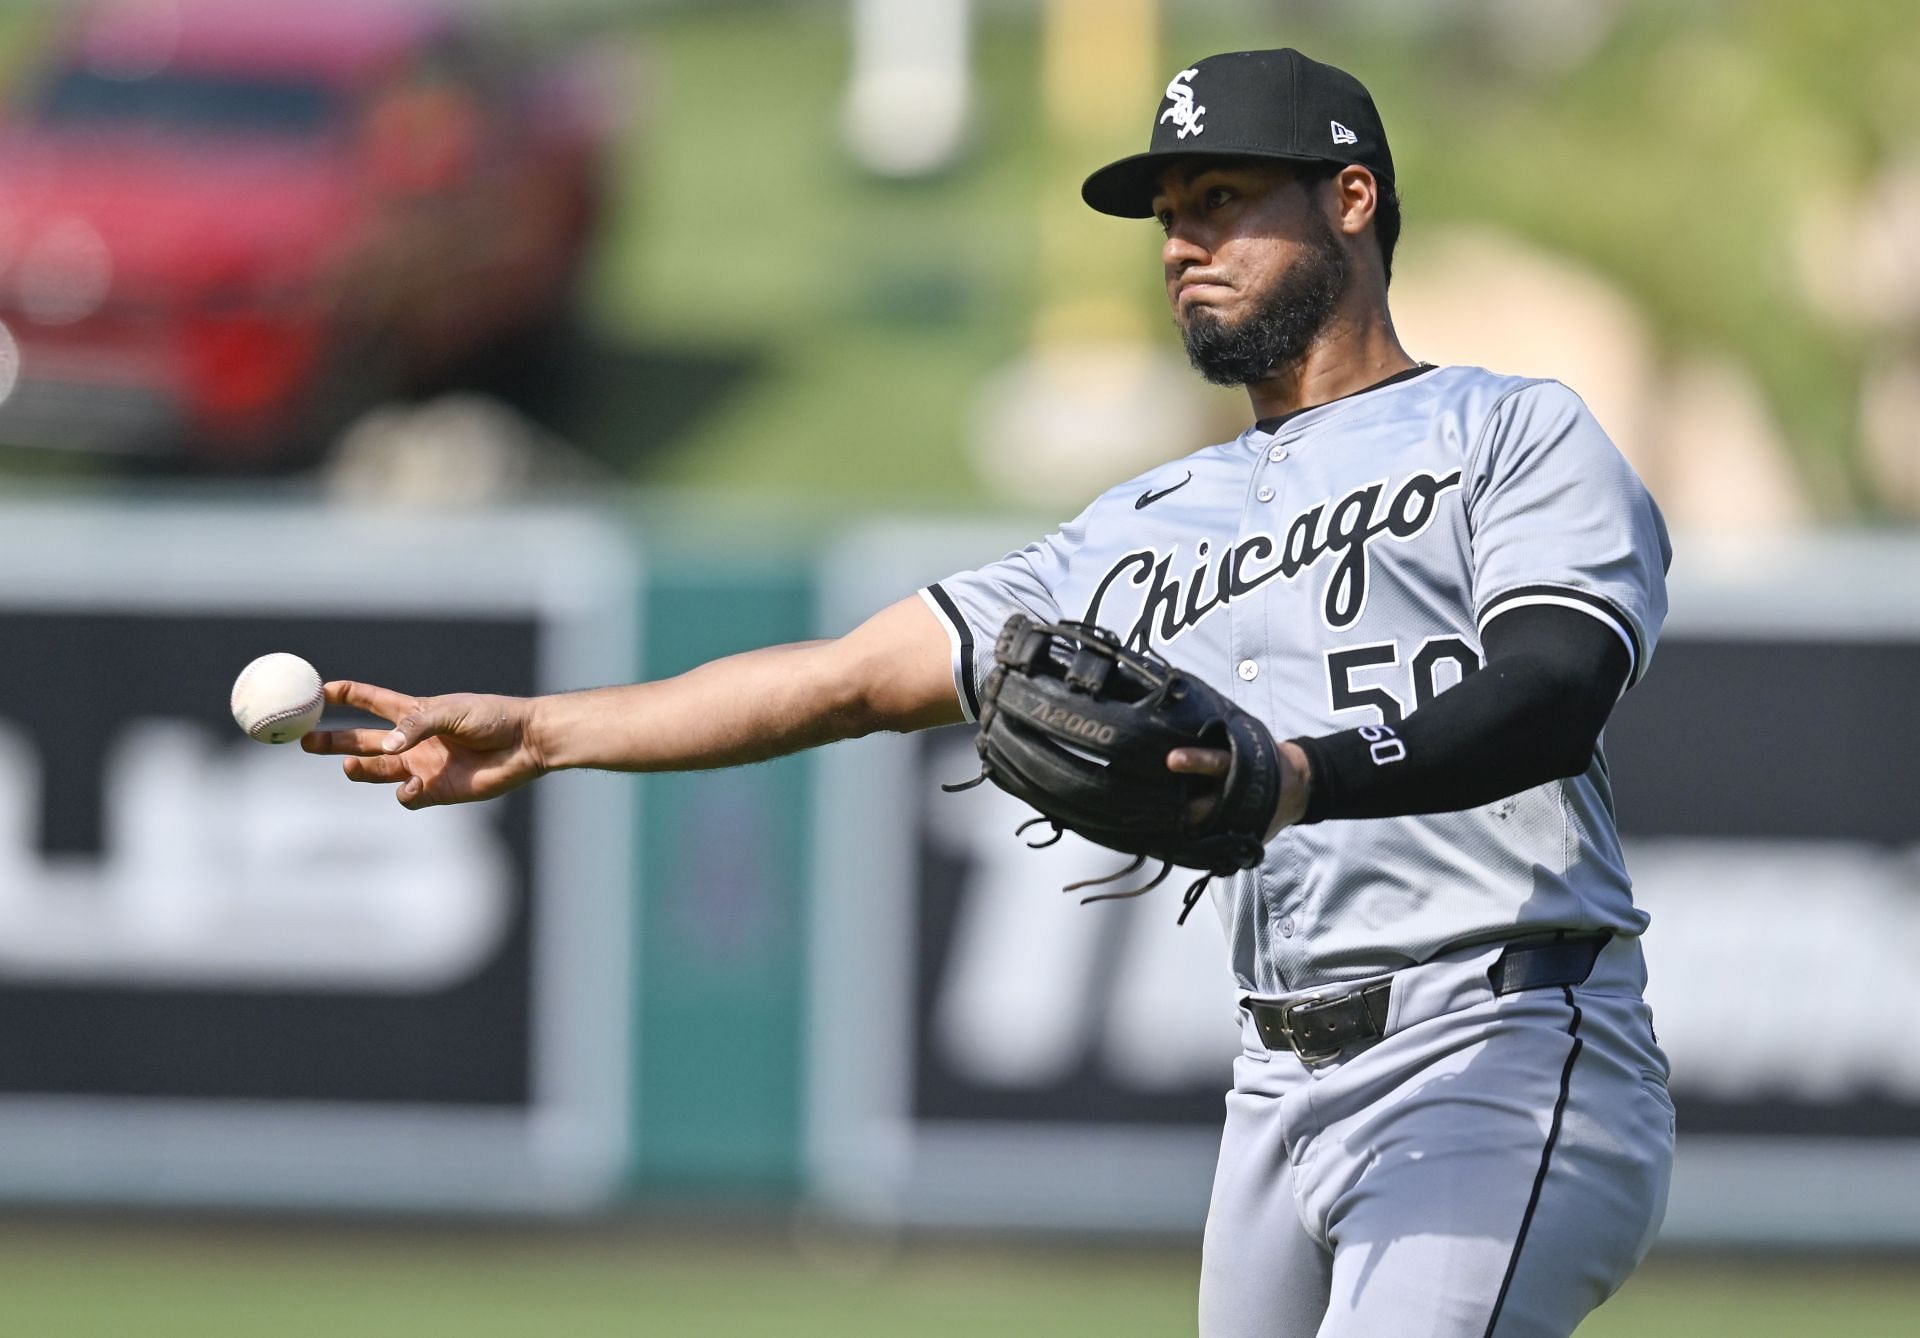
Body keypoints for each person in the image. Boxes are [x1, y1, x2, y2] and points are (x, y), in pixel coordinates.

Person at [307, 48, 1674, 1338]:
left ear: (1353, 201)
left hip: (1502, 1035)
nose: (1184, 245)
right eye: (1167, 216)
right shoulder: (1144, 521)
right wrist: (548, 730)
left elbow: (1556, 685)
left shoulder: (1507, 429)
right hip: (1278, 1081)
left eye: (1222, 200)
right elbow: (845, 678)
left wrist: (1303, 770)